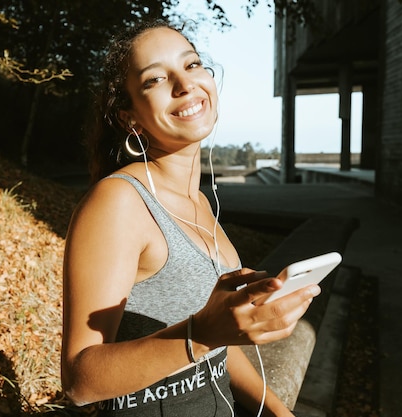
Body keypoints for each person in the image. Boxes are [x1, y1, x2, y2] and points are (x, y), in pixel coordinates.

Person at [61, 20, 320, 417]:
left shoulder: (199, 200)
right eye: (155, 80)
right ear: (130, 116)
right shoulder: (120, 202)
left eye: (193, 64)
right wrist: (201, 334)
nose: (185, 84)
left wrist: (280, 412)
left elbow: (213, 343)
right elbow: (80, 380)